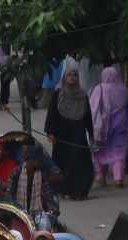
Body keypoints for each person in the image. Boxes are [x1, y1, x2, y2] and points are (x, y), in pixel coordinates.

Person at [46, 66, 95, 200]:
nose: (72, 77)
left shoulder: (83, 95)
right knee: (63, 162)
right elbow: (52, 114)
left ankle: (79, 191)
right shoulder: (58, 94)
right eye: (69, 75)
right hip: (62, 133)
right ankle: (65, 190)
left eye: (75, 75)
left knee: (80, 161)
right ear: (65, 77)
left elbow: (87, 116)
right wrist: (50, 132)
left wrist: (91, 134)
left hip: (78, 132)